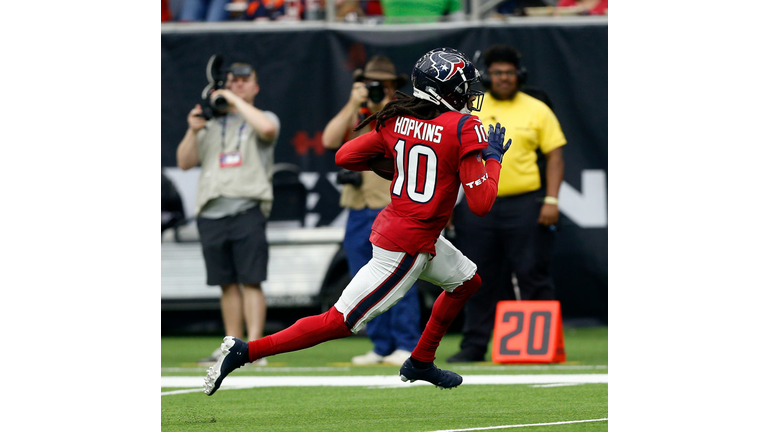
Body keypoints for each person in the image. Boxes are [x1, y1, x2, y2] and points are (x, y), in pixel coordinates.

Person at [204, 47, 511, 396]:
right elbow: (482, 202)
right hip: (408, 244)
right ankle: (245, 352)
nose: (468, 96)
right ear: (442, 90)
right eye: (461, 88)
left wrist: (399, 166)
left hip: (404, 227)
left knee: (467, 282)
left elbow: (345, 155)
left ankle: (421, 360)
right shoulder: (463, 126)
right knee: (338, 321)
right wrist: (494, 159)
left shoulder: (398, 118)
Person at [446, 44, 567, 363]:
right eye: (497, 73)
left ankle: (539, 344)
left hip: (525, 203)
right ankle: (474, 345)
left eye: (509, 73)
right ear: (487, 76)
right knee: (476, 277)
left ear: (519, 76)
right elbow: (452, 158)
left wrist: (551, 199)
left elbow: (555, 155)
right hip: (476, 204)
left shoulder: (537, 108)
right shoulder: (470, 109)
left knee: (531, 272)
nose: (503, 78)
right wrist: (448, 205)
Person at [176, 61, 280, 366]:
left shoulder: (262, 116)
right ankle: (231, 345)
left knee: (251, 280)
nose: (237, 84)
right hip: (211, 210)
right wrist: (192, 129)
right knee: (226, 283)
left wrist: (234, 100)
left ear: (255, 88)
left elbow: (268, 129)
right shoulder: (210, 122)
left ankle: (256, 349)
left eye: (244, 81)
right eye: (232, 81)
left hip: (246, 206)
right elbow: (184, 161)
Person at [322, 56, 421, 366]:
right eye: (370, 84)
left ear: (394, 87)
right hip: (357, 207)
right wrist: (354, 103)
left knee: (400, 277)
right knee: (362, 278)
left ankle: (406, 343)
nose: (377, 89)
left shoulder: (403, 115)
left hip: (391, 207)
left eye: (383, 84)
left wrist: (382, 107)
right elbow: (328, 140)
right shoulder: (357, 113)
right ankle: (380, 345)